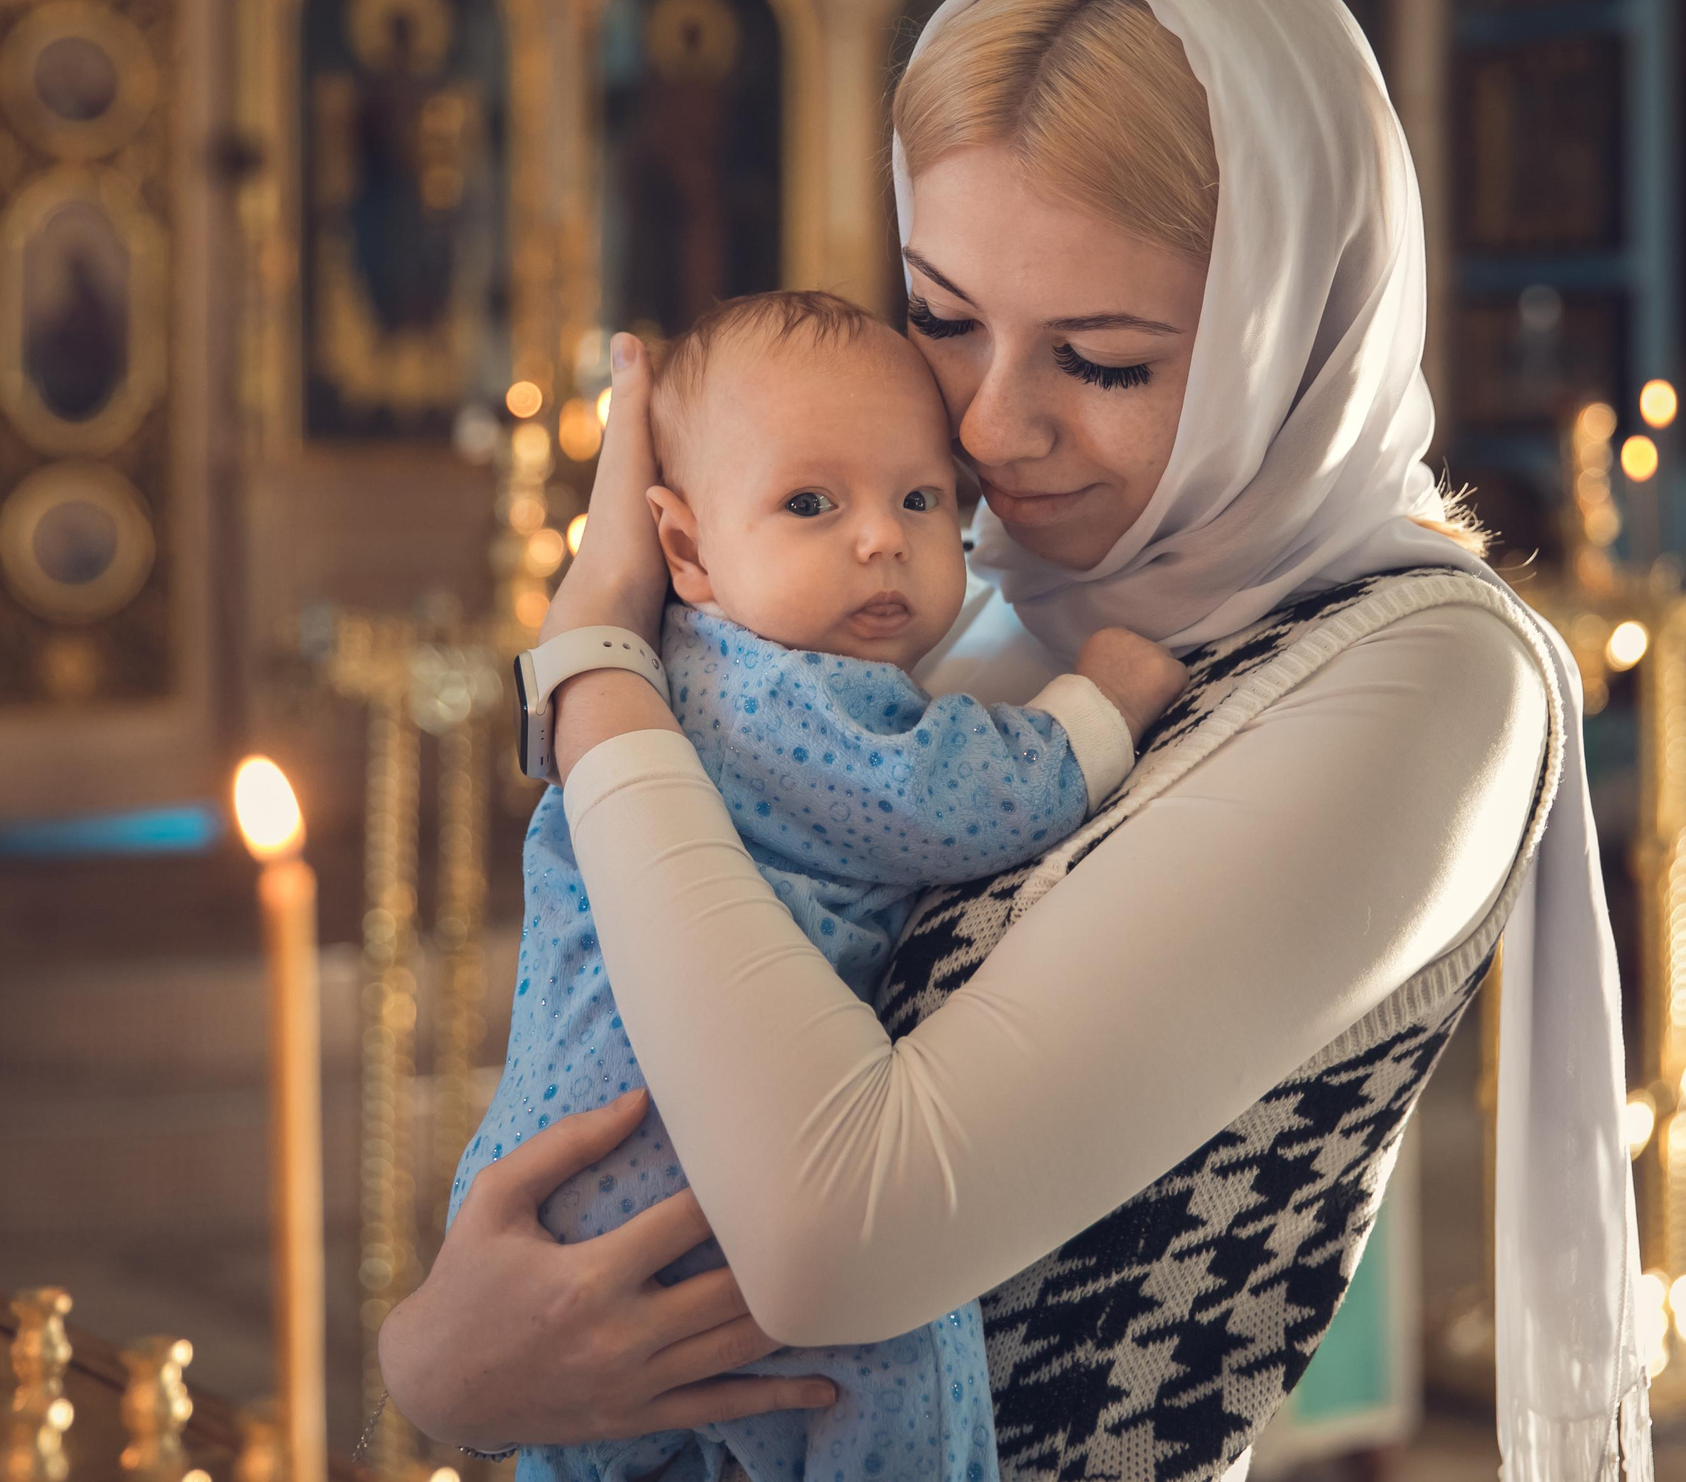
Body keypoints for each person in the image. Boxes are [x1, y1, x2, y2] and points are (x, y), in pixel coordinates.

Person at [383, 0, 1652, 1482]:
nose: (989, 426)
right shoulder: (972, 591)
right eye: (943, 314)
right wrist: (441, 1358)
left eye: (1102, 361)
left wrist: (595, 667)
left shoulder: (1425, 675)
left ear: (1291, 330)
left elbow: (841, 1243)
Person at [447, 288, 1184, 1482]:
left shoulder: (682, 673)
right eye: (808, 503)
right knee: (899, 1305)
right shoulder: (774, 692)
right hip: (676, 1160)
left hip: (569, 1170)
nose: (880, 538)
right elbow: (961, 800)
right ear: (683, 549)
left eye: (920, 497)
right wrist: (1101, 701)